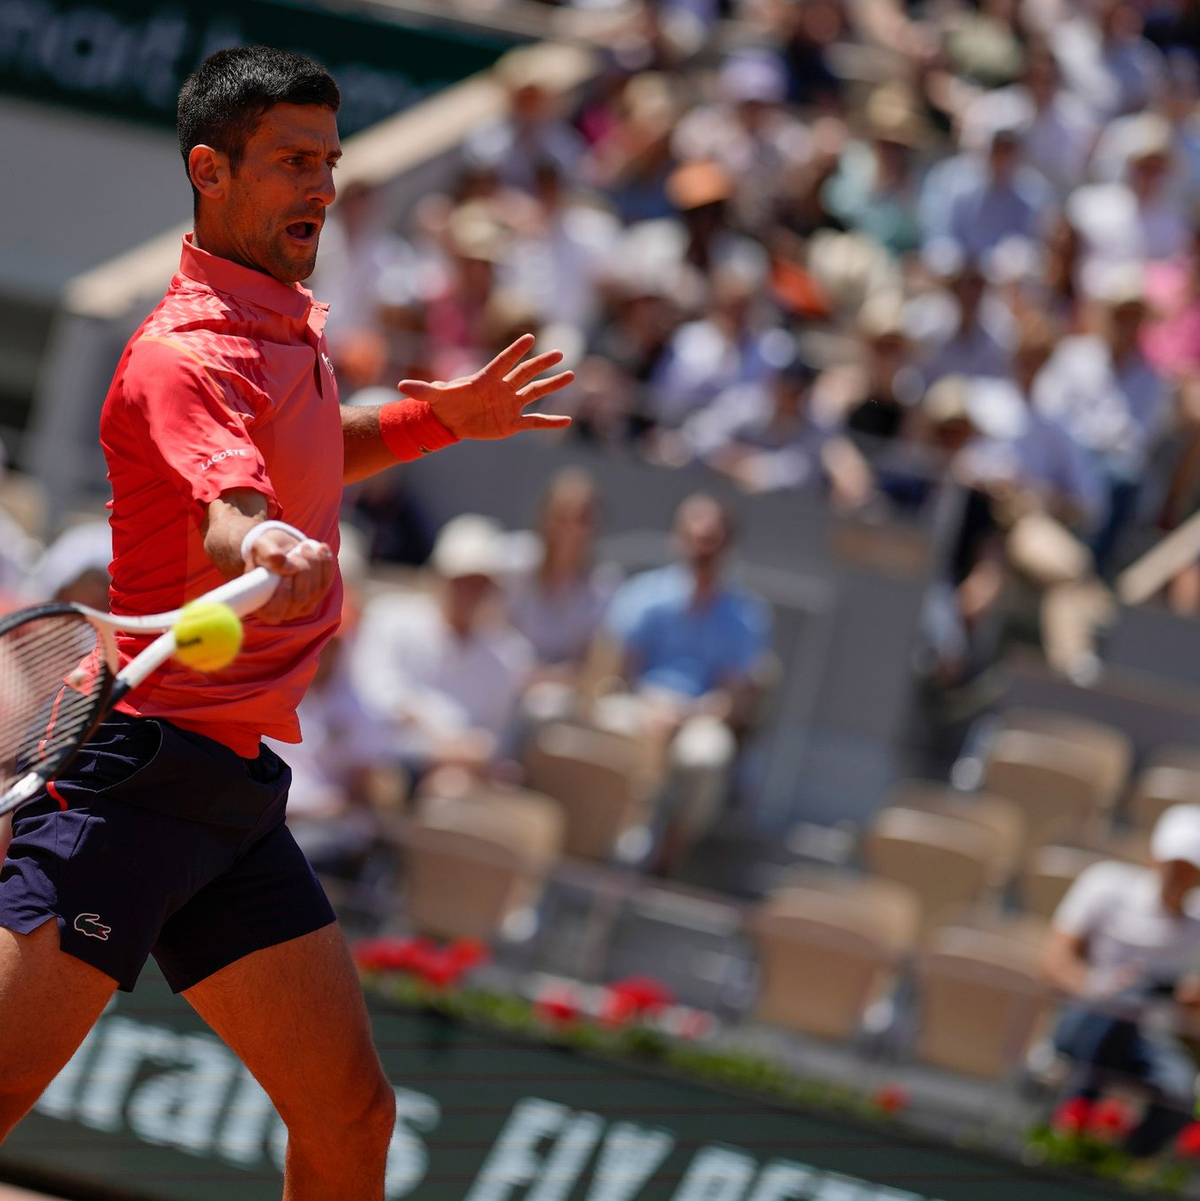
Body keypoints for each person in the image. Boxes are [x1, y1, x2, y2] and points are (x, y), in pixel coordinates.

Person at [0, 47, 572, 1200]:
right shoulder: (179, 357)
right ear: (211, 171)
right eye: (292, 162)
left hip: (232, 796)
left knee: (352, 1122)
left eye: (331, 161)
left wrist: (435, 420)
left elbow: (303, 451)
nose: (321, 186)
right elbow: (233, 505)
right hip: (124, 783)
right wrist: (261, 544)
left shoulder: (283, 325)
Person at [592, 493, 772, 872]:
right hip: (638, 705)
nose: (701, 548)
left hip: (699, 715)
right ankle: (598, 840)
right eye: (694, 537)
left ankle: (665, 861)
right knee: (608, 726)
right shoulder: (641, 595)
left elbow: (734, 696)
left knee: (707, 755)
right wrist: (650, 707)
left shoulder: (745, 615)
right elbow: (616, 672)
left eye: (711, 540)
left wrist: (688, 714)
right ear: (677, 538)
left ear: (727, 545)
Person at [1042, 804, 1200, 1159]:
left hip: (1147, 1039)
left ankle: (1116, 1167)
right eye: (1175, 864)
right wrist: (1095, 987)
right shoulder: (1106, 886)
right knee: (1112, 1015)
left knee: (1178, 1093)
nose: (1179, 875)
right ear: (1156, 856)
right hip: (1083, 1021)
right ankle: (1061, 1143)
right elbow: (1055, 959)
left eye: (1190, 868)